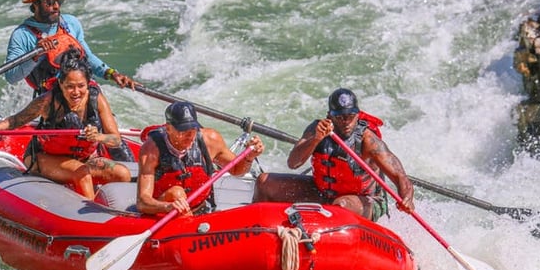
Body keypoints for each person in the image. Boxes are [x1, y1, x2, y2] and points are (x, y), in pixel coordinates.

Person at [0, 51, 130, 200]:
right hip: (44, 158)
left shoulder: (97, 99)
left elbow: (115, 140)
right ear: (60, 84)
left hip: (83, 159)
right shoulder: (48, 101)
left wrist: (99, 136)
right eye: (70, 86)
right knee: (81, 173)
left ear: (88, 84)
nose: (76, 92)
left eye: (81, 86)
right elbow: (16, 121)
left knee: (123, 174)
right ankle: (93, 217)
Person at [252, 88, 414, 221]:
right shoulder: (317, 129)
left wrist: (407, 198)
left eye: (350, 116)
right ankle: (258, 229)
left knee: (340, 206)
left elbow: (400, 176)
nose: (346, 122)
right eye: (340, 117)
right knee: (264, 182)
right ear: (330, 115)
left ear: (357, 114)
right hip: (322, 192)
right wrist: (316, 139)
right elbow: (293, 163)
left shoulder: (368, 140)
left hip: (363, 201)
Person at [4, 0, 136, 93]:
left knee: (95, 94)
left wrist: (111, 74)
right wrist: (36, 56)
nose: (56, 7)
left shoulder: (71, 23)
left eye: (59, 2)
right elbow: (11, 77)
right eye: (49, 2)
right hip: (51, 99)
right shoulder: (22, 35)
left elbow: (88, 57)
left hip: (81, 92)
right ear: (35, 5)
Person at [136, 102, 265, 215]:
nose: (190, 135)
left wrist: (249, 157)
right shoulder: (151, 150)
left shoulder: (210, 140)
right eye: (183, 130)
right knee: (177, 193)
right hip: (165, 213)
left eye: (193, 129)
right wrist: (167, 206)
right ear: (168, 129)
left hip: (201, 212)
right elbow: (143, 202)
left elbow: (237, 169)